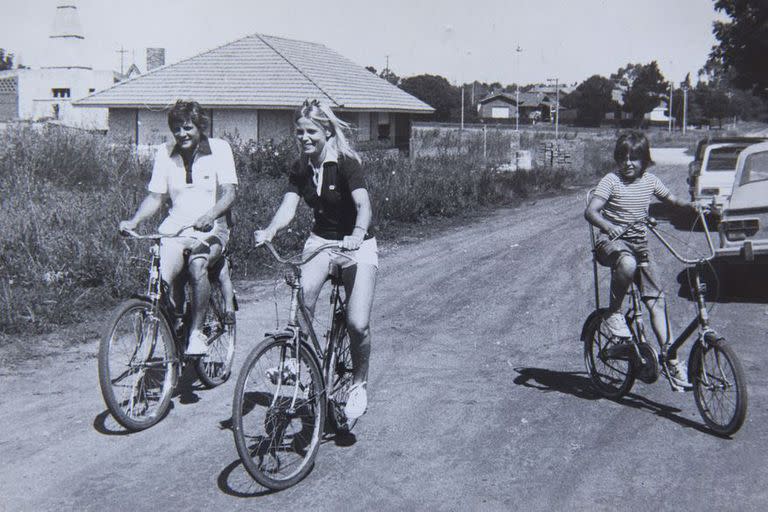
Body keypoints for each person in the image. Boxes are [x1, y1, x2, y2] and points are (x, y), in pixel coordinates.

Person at [254, 99, 378, 420]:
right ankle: (294, 362)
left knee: (357, 323)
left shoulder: (347, 163)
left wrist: (357, 232)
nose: (305, 138)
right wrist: (270, 230)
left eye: (311, 131)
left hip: (357, 244)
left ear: (326, 131)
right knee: (302, 296)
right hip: (322, 241)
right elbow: (288, 207)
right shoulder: (300, 167)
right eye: (299, 132)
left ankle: (358, 384)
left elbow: (363, 205)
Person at [119, 100, 238, 356]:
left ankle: (196, 333)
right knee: (160, 279)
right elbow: (155, 197)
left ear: (200, 126)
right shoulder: (164, 152)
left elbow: (229, 193)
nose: (181, 134)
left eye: (187, 128)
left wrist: (210, 215)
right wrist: (134, 221)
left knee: (197, 264)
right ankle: (167, 330)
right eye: (176, 129)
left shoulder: (219, 149)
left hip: (212, 228)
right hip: (174, 229)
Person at [584, 131, 695, 388]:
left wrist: (692, 206)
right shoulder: (611, 181)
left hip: (640, 246)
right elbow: (591, 211)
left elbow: (673, 200)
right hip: (610, 244)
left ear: (645, 160)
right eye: (623, 158)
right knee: (627, 263)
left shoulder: (650, 181)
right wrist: (607, 225)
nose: (628, 163)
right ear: (617, 160)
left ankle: (671, 361)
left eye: (635, 158)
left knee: (656, 302)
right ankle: (613, 312)